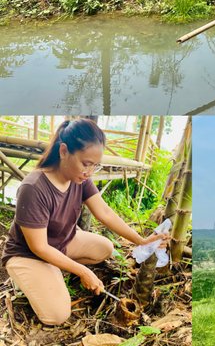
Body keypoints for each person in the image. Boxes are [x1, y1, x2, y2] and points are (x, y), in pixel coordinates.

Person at [1, 118, 169, 326]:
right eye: (86, 164)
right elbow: (39, 247)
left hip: (62, 242)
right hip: (29, 254)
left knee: (105, 248)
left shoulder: (80, 178)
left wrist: (142, 240)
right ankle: (38, 275)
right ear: (63, 151)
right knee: (58, 315)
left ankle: (55, 271)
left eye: (95, 166)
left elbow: (105, 212)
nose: (89, 172)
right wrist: (82, 271)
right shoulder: (34, 188)